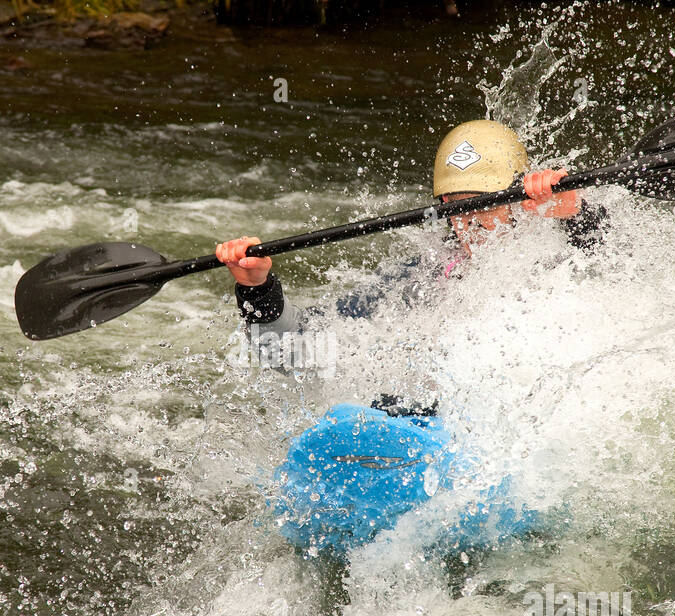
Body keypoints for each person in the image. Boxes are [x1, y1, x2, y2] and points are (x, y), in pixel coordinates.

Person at [216, 121, 608, 405]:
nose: (469, 221)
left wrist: (578, 213)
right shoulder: (418, 280)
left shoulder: (561, 261)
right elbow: (296, 352)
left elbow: (626, 274)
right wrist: (258, 288)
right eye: (455, 208)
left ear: (517, 202)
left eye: (482, 204)